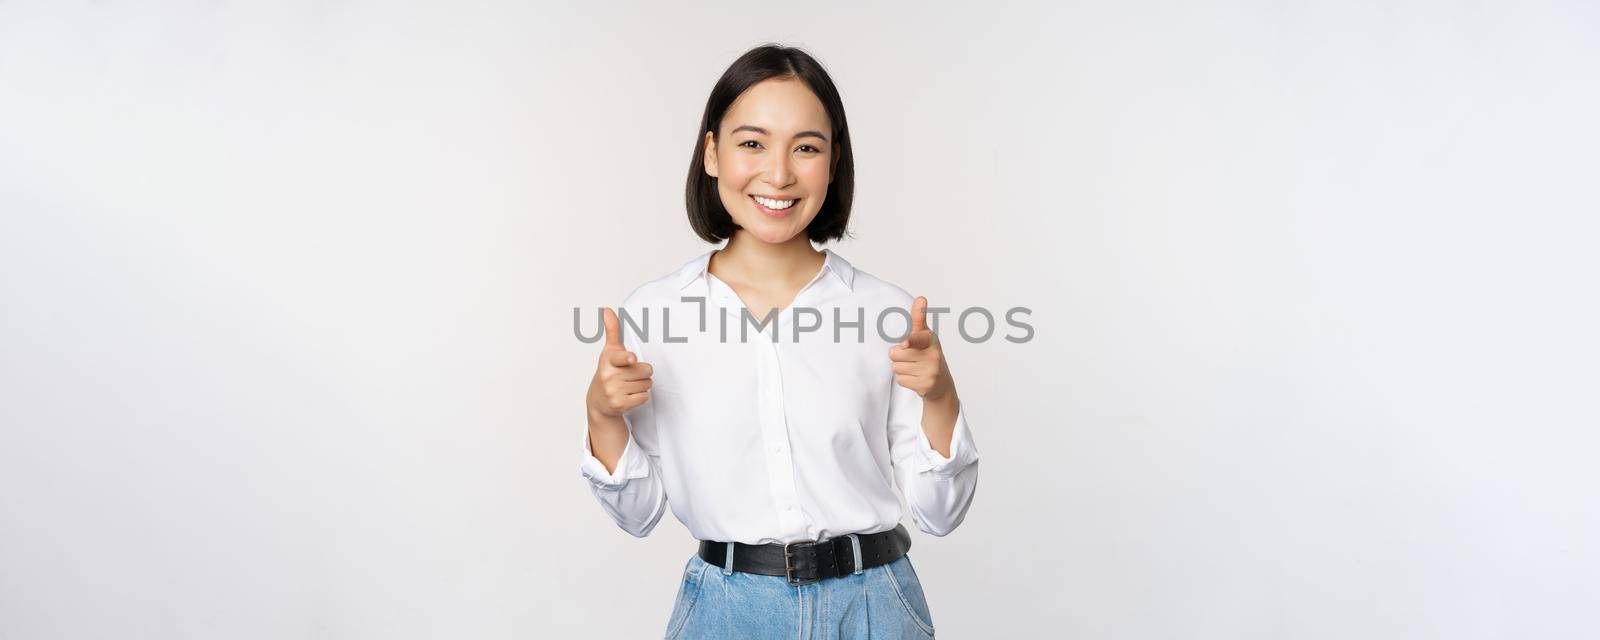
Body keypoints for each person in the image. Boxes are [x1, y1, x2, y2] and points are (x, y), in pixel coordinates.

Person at [579, 44, 980, 639]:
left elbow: (940, 515)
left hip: (874, 607)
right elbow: (636, 516)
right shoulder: (654, 312)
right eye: (752, 143)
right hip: (725, 612)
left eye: (807, 148)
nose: (780, 173)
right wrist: (602, 414)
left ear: (833, 162)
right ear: (712, 152)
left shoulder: (889, 312)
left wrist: (942, 397)